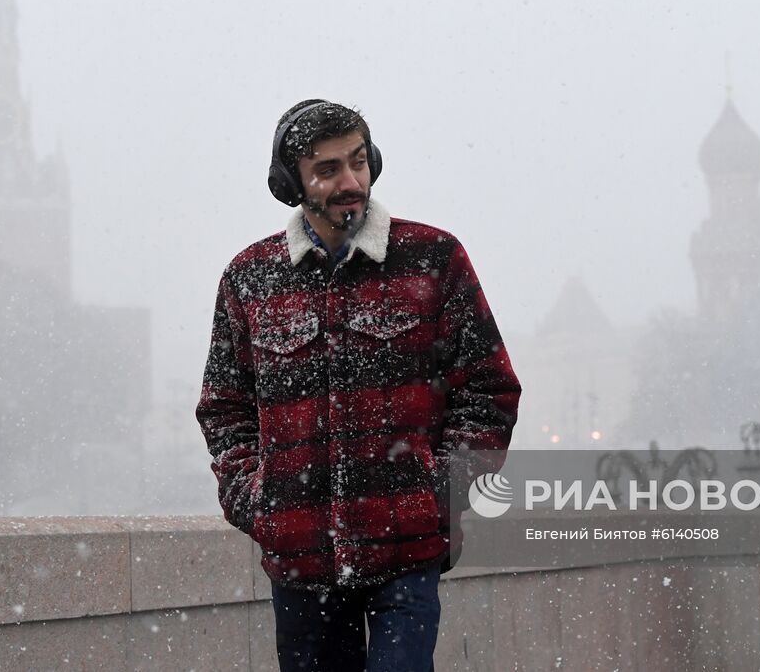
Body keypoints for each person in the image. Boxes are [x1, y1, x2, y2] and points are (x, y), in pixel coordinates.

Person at [196, 99, 521, 672]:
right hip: (300, 558)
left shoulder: (433, 259)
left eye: (357, 162)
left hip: (408, 549)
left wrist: (441, 491)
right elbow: (225, 409)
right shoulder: (249, 279)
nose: (350, 181)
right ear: (289, 183)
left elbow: (488, 389)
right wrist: (258, 501)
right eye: (326, 170)